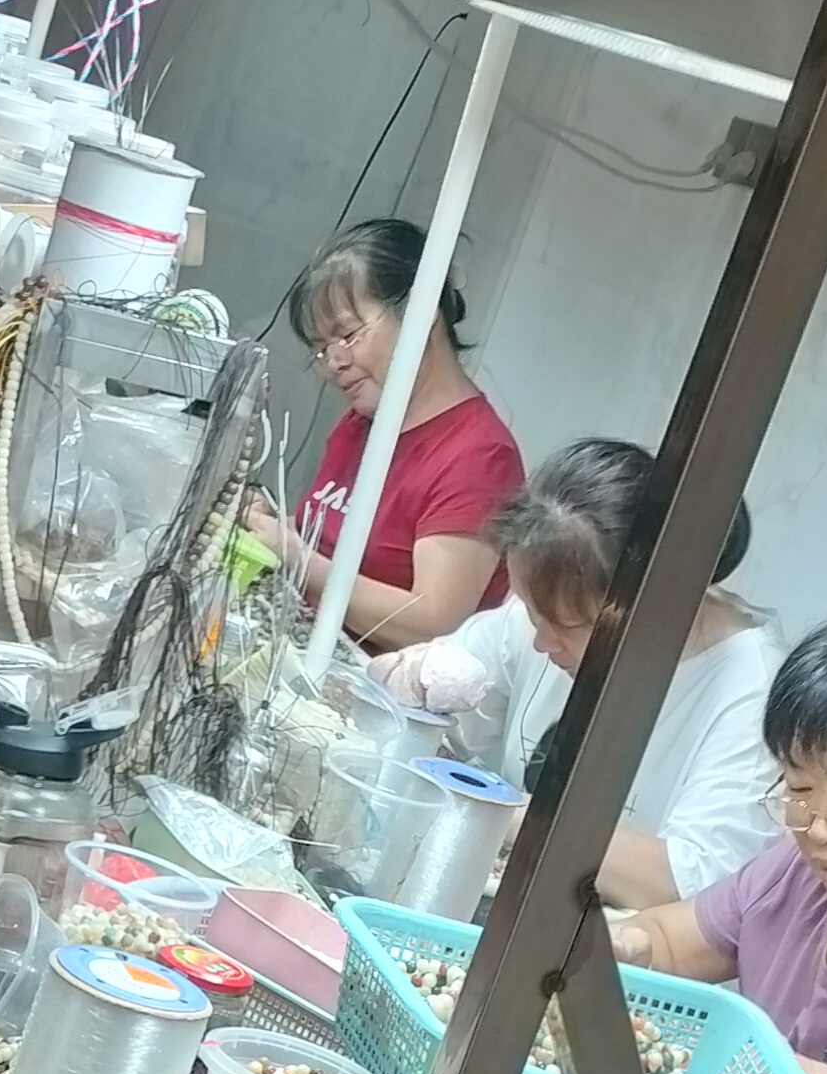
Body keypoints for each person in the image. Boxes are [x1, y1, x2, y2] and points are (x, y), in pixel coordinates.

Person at [377, 440, 778, 909]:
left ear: (655, 609)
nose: (540, 642)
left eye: (566, 626)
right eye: (532, 613)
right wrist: (413, 676)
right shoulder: (550, 602)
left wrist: (500, 815)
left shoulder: (753, 694)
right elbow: (411, 695)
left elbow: (695, 881)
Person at [608, 610, 827, 1074]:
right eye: (799, 790)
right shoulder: (796, 874)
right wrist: (628, 946)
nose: (818, 829)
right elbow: (668, 940)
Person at [273, 217, 524, 650]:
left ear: (421, 314)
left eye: (348, 335)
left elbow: (432, 620)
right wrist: (268, 526)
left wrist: (292, 555)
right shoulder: (360, 423)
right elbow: (325, 539)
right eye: (321, 350)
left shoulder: (480, 456)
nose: (333, 363)